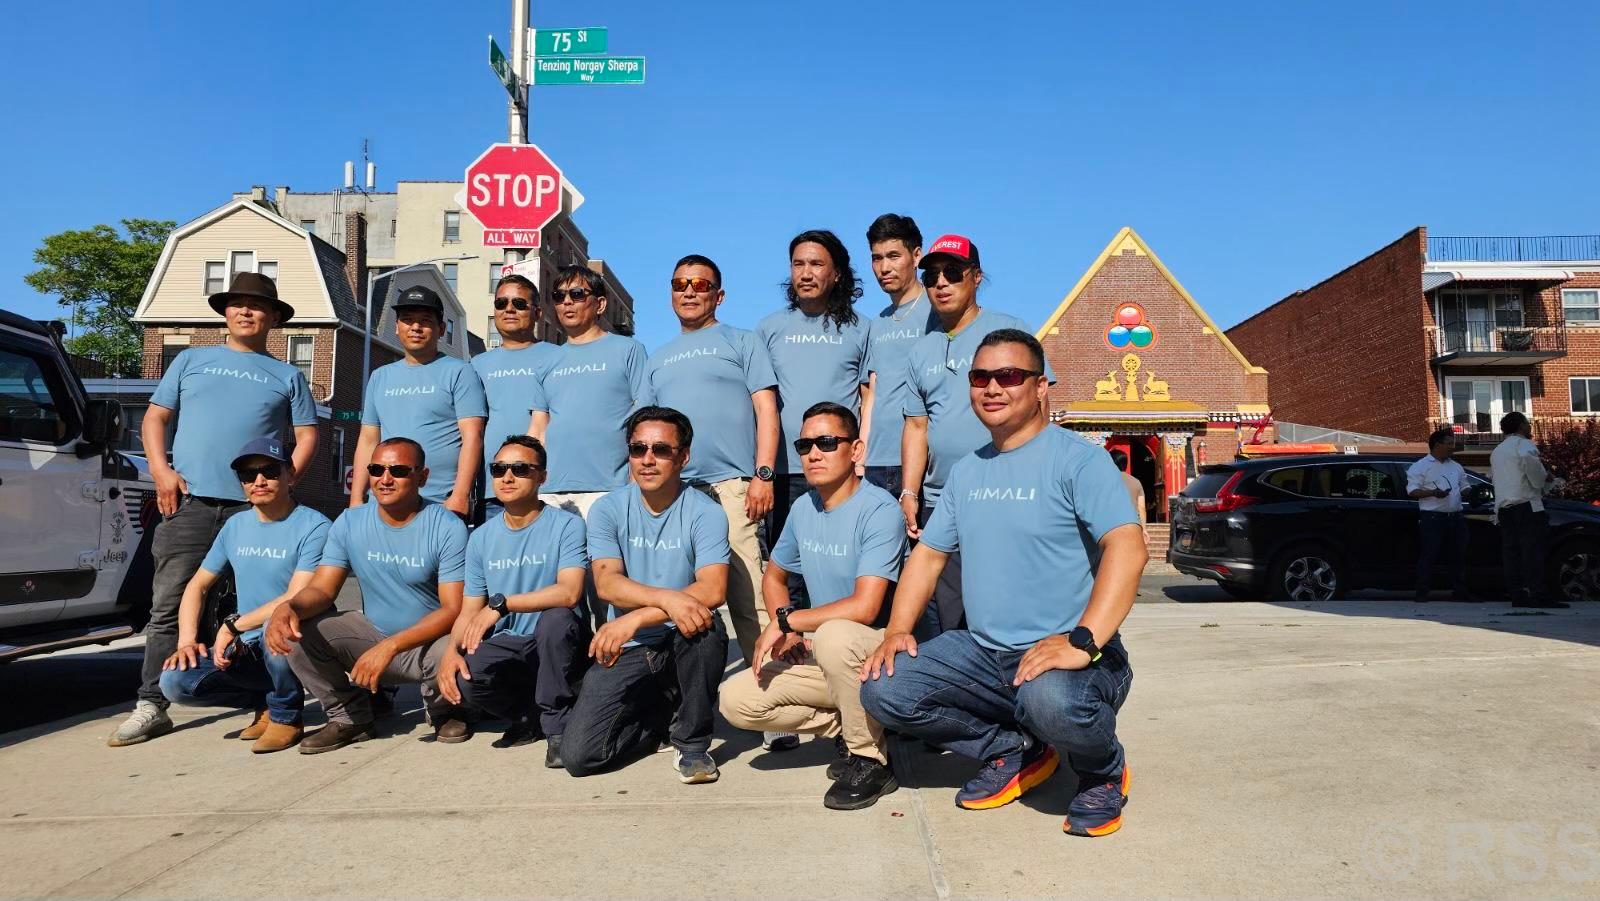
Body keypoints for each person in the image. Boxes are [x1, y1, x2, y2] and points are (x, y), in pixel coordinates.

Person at [860, 329, 1146, 838]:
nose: (992, 388)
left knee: (1051, 702)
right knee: (885, 688)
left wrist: (1084, 640)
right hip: (985, 652)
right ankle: (1015, 749)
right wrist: (897, 628)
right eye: (980, 377)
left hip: (1072, 653)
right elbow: (928, 554)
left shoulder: (1077, 459)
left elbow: (1128, 548)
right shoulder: (969, 472)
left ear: (1039, 387)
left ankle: (1102, 771)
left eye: (1008, 376)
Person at [111, 271, 318, 748]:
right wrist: (162, 472)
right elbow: (157, 418)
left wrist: (287, 479)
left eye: (257, 305)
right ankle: (151, 704)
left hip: (258, 512)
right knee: (171, 603)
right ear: (226, 312)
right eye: (238, 303)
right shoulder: (191, 360)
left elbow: (307, 435)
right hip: (193, 503)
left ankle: (264, 702)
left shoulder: (287, 375)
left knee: (256, 608)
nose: (247, 311)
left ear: (273, 318)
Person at [719, 403, 906, 810]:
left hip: (881, 656)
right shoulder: (805, 508)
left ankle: (870, 760)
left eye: (826, 442)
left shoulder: (879, 510)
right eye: (805, 445)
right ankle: (855, 726)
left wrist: (787, 620)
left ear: (856, 451)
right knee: (736, 700)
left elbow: (866, 607)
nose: (813, 454)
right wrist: (788, 628)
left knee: (836, 634)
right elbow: (775, 575)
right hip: (831, 658)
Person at [266, 438, 471, 753]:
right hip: (373, 637)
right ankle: (349, 716)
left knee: (463, 649)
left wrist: (390, 647)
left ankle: (444, 707)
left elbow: (452, 609)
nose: (385, 479)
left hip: (429, 645)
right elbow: (322, 589)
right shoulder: (350, 522)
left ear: (423, 477)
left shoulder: (446, 526)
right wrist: (288, 607)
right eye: (376, 469)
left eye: (398, 470)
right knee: (296, 629)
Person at [562, 407, 731, 784]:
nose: (648, 459)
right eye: (638, 449)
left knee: (706, 628)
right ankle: (658, 718)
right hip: (631, 646)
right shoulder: (607, 509)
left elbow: (713, 588)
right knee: (580, 757)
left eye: (661, 449)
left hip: (678, 635)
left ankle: (692, 744)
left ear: (683, 456)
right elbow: (607, 583)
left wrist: (637, 615)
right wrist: (669, 601)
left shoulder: (706, 512)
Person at [899, 235, 1054, 634]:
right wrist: (910, 492)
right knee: (948, 612)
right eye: (931, 275)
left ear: (976, 277)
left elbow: (1041, 406)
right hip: (940, 499)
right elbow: (917, 426)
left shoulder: (1010, 330)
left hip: (1004, 492)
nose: (941, 283)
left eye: (953, 272)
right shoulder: (920, 351)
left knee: (1006, 601)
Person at [641, 254, 779, 669]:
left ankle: (770, 698)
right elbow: (645, 429)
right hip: (675, 494)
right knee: (678, 597)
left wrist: (763, 475)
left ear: (718, 296)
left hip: (733, 487)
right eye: (680, 283)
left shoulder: (742, 341)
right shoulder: (657, 357)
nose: (688, 291)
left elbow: (766, 410)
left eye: (700, 285)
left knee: (749, 596)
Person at [158, 437, 330, 753]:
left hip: (297, 638)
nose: (259, 481)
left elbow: (295, 596)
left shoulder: (314, 526)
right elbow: (197, 586)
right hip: (246, 646)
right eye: (248, 475)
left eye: (269, 471)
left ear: (290, 474)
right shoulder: (236, 526)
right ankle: (263, 701)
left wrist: (233, 625)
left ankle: (286, 716)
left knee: (275, 628)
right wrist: (186, 642)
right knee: (175, 682)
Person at [436, 436, 589, 763]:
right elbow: (470, 609)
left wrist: (502, 605)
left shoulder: (567, 526)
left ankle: (558, 728)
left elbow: (569, 592)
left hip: (558, 642)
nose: (507, 477)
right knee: (467, 679)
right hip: (511, 643)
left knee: (556, 619)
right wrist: (451, 652)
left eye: (520, 469)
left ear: (542, 477)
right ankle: (527, 714)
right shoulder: (480, 538)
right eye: (499, 469)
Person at [756, 230, 872, 554]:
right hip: (785, 473)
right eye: (798, 264)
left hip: (842, 471)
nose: (805, 273)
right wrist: (762, 472)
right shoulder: (768, 329)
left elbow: (868, 400)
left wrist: (861, 462)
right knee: (787, 571)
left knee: (842, 563)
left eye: (816, 264)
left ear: (836, 274)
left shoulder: (863, 329)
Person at [351, 285, 487, 518]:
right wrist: (356, 499)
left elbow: (473, 437)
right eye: (407, 320)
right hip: (382, 503)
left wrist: (461, 495)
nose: (415, 327)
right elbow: (368, 440)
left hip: (439, 503)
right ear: (396, 327)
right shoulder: (380, 376)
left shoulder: (460, 372)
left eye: (425, 320)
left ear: (441, 329)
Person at [528, 265, 649, 522]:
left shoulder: (628, 350)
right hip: (551, 491)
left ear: (600, 304)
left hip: (611, 488)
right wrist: (531, 481)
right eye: (559, 296)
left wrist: (635, 482)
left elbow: (644, 419)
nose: (567, 302)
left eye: (578, 294)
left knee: (608, 564)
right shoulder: (546, 362)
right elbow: (538, 429)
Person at [860, 214, 939, 498]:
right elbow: (871, 393)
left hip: (922, 460)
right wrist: (862, 454)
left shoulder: (938, 312)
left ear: (917, 255)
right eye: (876, 258)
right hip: (876, 464)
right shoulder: (876, 323)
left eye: (893, 256)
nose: (884, 267)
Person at [471, 274, 559, 501]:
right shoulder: (475, 365)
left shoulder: (558, 357)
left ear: (538, 313)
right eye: (501, 303)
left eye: (519, 304)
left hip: (546, 488)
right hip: (492, 488)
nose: (509, 309)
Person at [1490, 412, 1567, 609]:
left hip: (1504, 508)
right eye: (1527, 423)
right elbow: (1531, 467)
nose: (1530, 426)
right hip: (1527, 505)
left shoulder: (1497, 451)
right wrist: (1544, 478)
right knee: (1533, 552)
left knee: (1511, 554)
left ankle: (1517, 595)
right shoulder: (1524, 445)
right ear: (1521, 426)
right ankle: (1539, 594)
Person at [1406, 428, 1469, 602]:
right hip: (1432, 518)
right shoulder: (1420, 466)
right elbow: (1412, 491)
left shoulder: (1455, 466)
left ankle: (1460, 591)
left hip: (1456, 517)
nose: (1452, 447)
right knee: (1429, 555)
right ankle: (1422, 592)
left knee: (1458, 555)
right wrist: (1433, 493)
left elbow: (1464, 486)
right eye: (1449, 443)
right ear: (1437, 445)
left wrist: (1470, 491)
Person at [1109, 449, 1147, 529]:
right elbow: (1141, 507)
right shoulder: (1136, 482)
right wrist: (1144, 529)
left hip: (1113, 525)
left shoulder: (1106, 481)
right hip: (1134, 524)